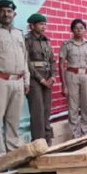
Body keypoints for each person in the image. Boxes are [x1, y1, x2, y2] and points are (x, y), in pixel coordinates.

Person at [0, 0, 30, 160]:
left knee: (14, 120)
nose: (6, 14)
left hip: (18, 81)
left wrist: (26, 80)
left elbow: (24, 58)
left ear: (14, 14)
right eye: (2, 11)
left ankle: (13, 154)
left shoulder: (19, 33)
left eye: (9, 11)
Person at [59, 19, 87, 138]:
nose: (79, 30)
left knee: (86, 105)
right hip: (72, 75)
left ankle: (85, 133)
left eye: (81, 28)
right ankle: (75, 135)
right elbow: (61, 64)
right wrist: (64, 85)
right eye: (76, 28)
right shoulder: (67, 45)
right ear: (72, 30)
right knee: (73, 106)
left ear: (85, 30)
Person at [26, 13, 56, 145]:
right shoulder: (27, 40)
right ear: (32, 26)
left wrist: (53, 76)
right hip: (34, 79)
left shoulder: (46, 40)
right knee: (37, 111)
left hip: (47, 77)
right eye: (40, 24)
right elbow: (26, 62)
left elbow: (52, 61)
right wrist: (41, 79)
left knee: (46, 110)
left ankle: (47, 140)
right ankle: (39, 142)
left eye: (45, 24)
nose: (44, 27)